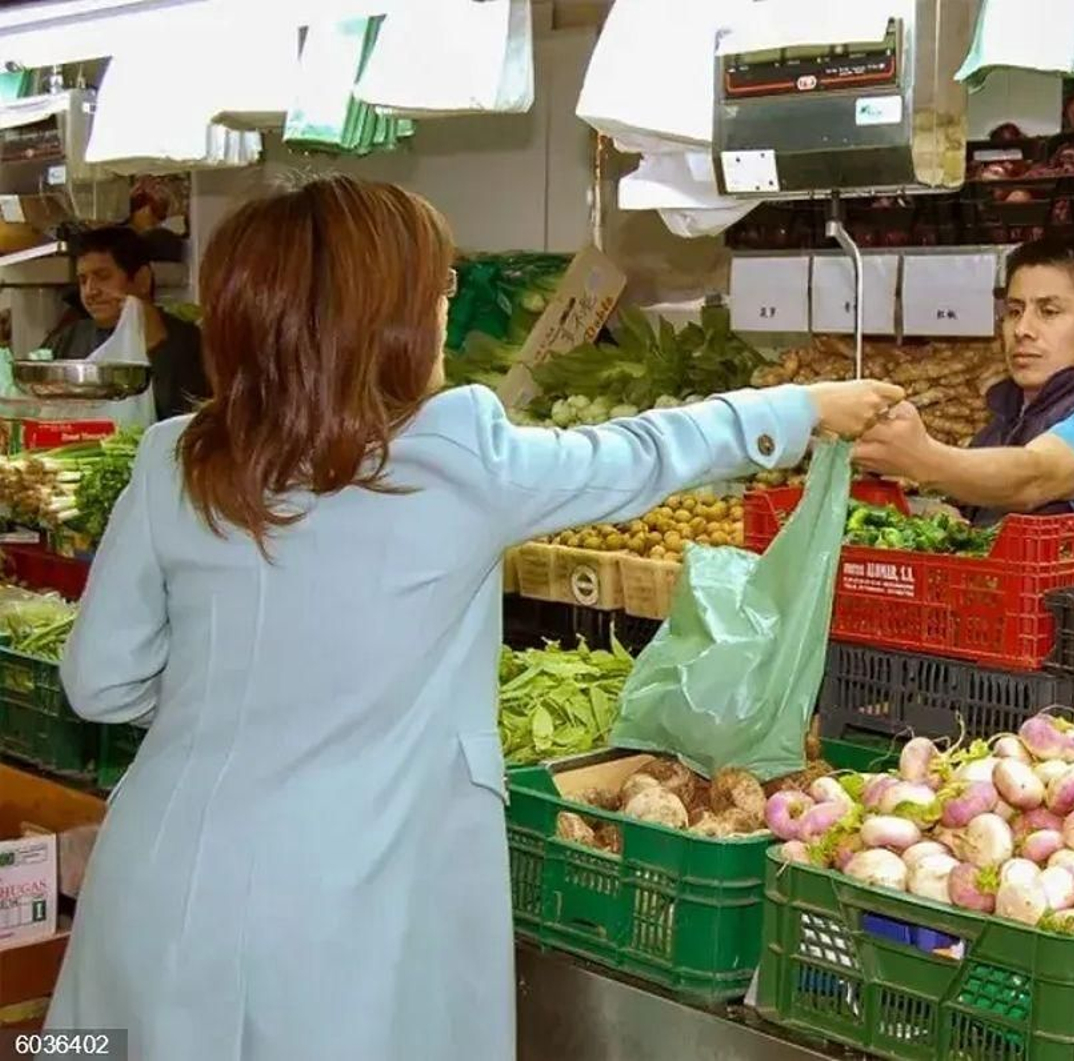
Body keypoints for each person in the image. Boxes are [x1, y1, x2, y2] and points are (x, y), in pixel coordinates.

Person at [45, 175, 902, 1061]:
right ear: (387, 320)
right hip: (345, 908)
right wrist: (801, 408)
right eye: (439, 293)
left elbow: (99, 682)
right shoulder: (454, 454)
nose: (447, 313)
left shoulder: (173, 456)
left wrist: (227, 706)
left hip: (157, 886)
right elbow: (638, 453)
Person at [854, 236, 1074, 568]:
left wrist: (923, 460)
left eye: (1049, 311)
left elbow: (1033, 476)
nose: (1023, 329)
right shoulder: (1008, 415)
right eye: (1014, 311)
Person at [45, 225, 208, 420]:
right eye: (83, 280)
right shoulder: (69, 339)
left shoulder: (187, 343)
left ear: (142, 280)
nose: (90, 292)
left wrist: (156, 345)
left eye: (102, 277)